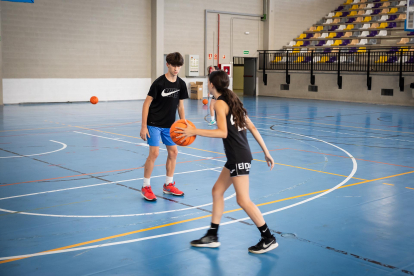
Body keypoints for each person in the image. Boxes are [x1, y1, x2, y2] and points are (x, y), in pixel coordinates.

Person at [176, 70, 278, 254]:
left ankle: (268, 237)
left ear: (212, 84)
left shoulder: (221, 103)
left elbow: (222, 132)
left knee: (243, 200)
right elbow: (252, 127)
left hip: (238, 156)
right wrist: (266, 151)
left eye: (208, 82)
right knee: (217, 191)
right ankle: (212, 235)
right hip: (236, 155)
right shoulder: (232, 100)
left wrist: (195, 131)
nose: (208, 84)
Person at [139, 52, 189, 201]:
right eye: (174, 65)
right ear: (167, 64)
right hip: (154, 123)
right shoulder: (159, 83)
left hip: (170, 125)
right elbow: (146, 103)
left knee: (173, 153)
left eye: (179, 66)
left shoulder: (181, 84)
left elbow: (180, 106)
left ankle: (168, 184)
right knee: (154, 154)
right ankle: (145, 186)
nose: (176, 68)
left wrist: (183, 123)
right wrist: (143, 126)